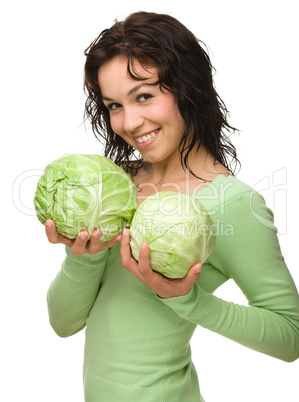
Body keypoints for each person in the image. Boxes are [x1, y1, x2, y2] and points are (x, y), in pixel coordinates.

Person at [45, 11, 299, 402]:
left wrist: (186, 299)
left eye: (144, 96)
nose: (129, 122)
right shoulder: (112, 188)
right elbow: (64, 323)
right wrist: (84, 257)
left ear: (188, 88)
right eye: (114, 105)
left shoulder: (230, 203)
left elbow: (291, 336)